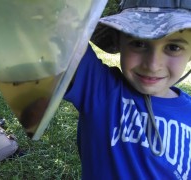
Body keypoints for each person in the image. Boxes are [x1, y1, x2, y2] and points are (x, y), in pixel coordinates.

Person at [64, 0, 191, 179]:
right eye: (139, 43)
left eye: (173, 47)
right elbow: (57, 24)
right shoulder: (99, 88)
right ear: (118, 40)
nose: (153, 65)